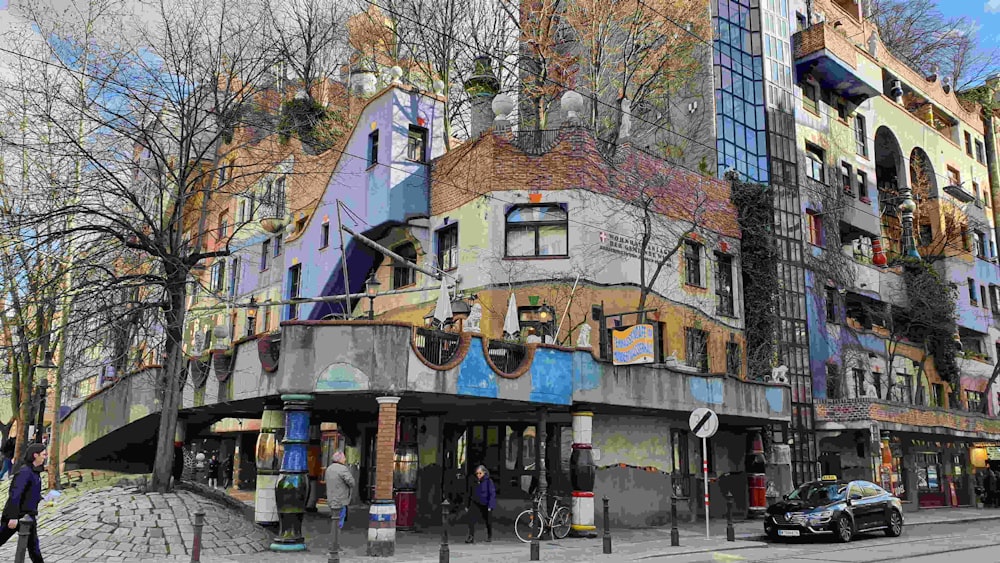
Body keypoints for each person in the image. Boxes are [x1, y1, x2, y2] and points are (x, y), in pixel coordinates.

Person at [0, 443, 47, 563]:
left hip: (29, 516)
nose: (45, 457)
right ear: (35, 455)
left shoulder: (35, 472)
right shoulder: (25, 472)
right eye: (43, 454)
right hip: (17, 516)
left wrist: (43, 498)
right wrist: (12, 517)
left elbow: (30, 492)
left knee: (34, 548)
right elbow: (15, 494)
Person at [324, 451, 355, 532]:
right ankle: (336, 534)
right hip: (341, 498)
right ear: (340, 459)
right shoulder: (343, 469)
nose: (345, 459)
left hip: (331, 497)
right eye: (344, 458)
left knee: (334, 516)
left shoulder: (329, 468)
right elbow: (351, 482)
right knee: (340, 517)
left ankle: (335, 532)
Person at [466, 465, 496, 544]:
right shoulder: (474, 480)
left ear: (484, 473)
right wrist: (467, 504)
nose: (478, 475)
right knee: (471, 518)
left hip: (485, 503)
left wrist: (490, 505)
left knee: (488, 520)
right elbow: (470, 492)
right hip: (475, 502)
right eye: (477, 474)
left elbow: (492, 494)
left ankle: (489, 535)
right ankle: (471, 536)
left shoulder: (489, 481)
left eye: (480, 473)